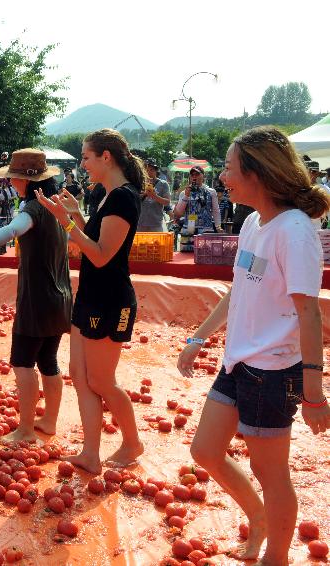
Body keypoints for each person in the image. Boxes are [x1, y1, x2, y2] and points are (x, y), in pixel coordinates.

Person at [176, 127, 330, 565]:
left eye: (228, 167)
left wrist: (313, 394)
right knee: (205, 451)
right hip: (239, 362)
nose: (223, 176)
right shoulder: (251, 223)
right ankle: (259, 519)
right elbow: (237, 289)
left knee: (270, 471)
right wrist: (198, 338)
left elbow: (310, 313)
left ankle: (276, 556)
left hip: (274, 370)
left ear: (256, 174)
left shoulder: (294, 231)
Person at [35, 128, 145, 473]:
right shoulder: (107, 195)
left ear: (106, 156)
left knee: (100, 380)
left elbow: (100, 255)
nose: (82, 164)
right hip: (91, 295)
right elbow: (96, 238)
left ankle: (132, 442)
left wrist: (67, 223)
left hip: (111, 301)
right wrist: (78, 216)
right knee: (79, 376)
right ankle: (90, 453)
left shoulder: (123, 197)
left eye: (85, 156)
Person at [0, 149, 71, 443]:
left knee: (23, 363)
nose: (12, 181)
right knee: (49, 361)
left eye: (14, 177)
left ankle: (24, 430)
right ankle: (48, 421)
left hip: (37, 300)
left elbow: (13, 229)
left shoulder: (32, 208)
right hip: (60, 297)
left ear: (24, 181)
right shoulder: (56, 207)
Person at [173, 166, 222, 235]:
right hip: (188, 229)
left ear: (203, 176)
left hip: (206, 230)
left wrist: (218, 226)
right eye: (192, 175)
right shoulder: (184, 192)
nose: (194, 177)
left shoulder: (211, 192)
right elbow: (179, 213)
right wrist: (186, 196)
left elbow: (216, 210)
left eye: (197, 174)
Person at [138, 159, 172, 232]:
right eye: (146, 170)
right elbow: (133, 200)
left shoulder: (163, 184)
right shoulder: (139, 183)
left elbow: (167, 202)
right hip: (140, 224)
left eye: (151, 170)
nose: (149, 172)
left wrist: (154, 196)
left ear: (156, 171)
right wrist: (145, 194)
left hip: (156, 225)